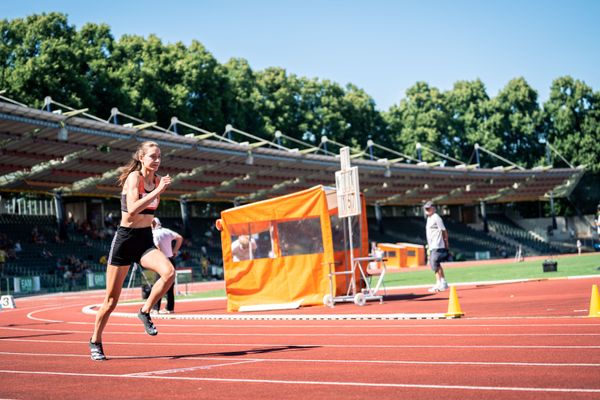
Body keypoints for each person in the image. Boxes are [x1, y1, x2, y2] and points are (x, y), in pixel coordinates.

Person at [89, 141, 175, 361]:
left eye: (159, 157)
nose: (157, 160)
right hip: (125, 240)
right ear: (141, 157)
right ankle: (95, 341)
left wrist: (153, 213)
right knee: (110, 301)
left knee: (169, 273)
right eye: (152, 156)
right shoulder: (134, 178)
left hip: (144, 239)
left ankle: (145, 311)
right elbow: (131, 213)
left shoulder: (156, 181)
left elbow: (147, 212)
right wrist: (158, 190)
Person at [151, 217, 183, 314]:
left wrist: (159, 258)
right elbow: (180, 238)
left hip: (162, 261)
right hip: (171, 259)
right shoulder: (166, 231)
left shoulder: (154, 233)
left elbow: (158, 247)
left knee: (159, 284)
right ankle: (170, 308)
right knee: (170, 285)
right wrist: (175, 250)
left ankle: (156, 308)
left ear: (153, 224)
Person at [424, 201, 450, 293]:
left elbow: (443, 230)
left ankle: (442, 282)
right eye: (426, 208)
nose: (427, 209)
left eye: (429, 207)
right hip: (432, 246)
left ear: (433, 208)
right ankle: (439, 282)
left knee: (435, 262)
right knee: (434, 264)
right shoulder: (429, 218)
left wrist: (446, 242)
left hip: (437, 244)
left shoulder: (436, 217)